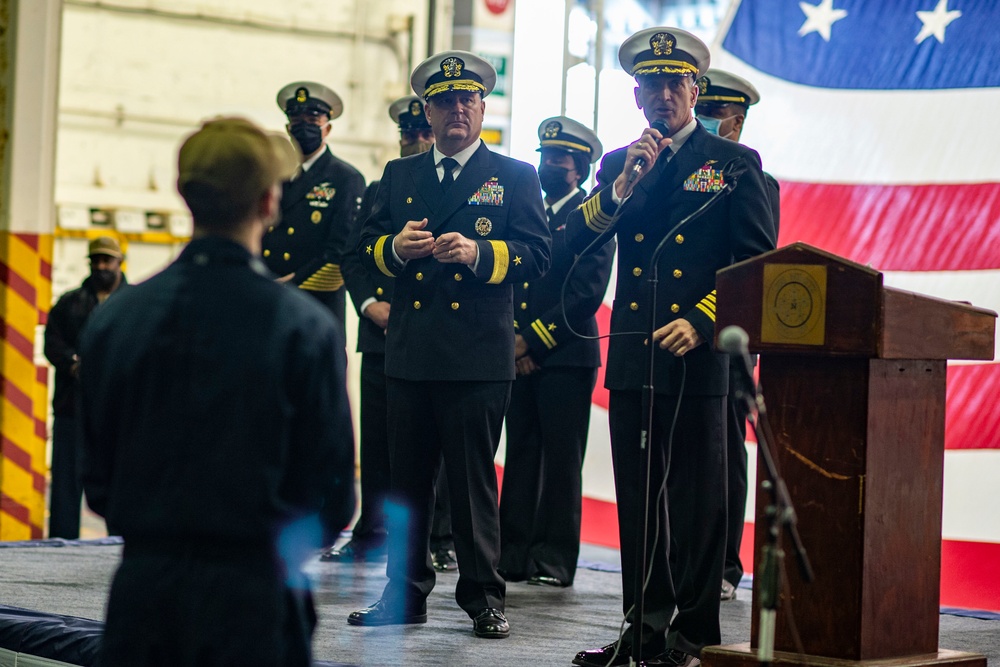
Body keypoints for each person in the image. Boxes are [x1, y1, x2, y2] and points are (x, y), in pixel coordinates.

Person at [78, 118, 356, 666]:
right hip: (256, 603)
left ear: (185, 196)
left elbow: (99, 484)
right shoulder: (303, 327)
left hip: (144, 599)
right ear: (270, 202)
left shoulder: (117, 320)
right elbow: (333, 500)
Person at [567, 29, 776, 667]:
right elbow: (576, 243)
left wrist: (705, 321)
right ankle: (643, 629)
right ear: (636, 95)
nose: (662, 95)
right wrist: (626, 181)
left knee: (695, 502)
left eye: (673, 83)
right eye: (650, 85)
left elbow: (756, 265)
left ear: (695, 89)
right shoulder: (619, 165)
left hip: (698, 356)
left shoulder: (735, 164)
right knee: (639, 499)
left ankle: (694, 634)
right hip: (636, 350)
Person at [349, 51, 550, 639]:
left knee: (471, 486)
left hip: (477, 358)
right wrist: (395, 249)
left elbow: (538, 256)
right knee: (405, 485)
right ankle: (403, 595)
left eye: (467, 99)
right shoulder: (400, 175)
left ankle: (484, 598)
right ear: (427, 113)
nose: (456, 109)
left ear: (483, 107)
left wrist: (480, 254)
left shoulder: (514, 176)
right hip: (410, 354)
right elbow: (363, 249)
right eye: (443, 101)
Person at [331, 96, 456, 571]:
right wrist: (368, 305)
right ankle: (371, 532)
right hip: (382, 333)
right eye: (409, 136)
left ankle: (440, 539)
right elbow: (354, 255)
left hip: (431, 333)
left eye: (421, 136)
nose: (416, 142)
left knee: (438, 445)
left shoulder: (452, 183)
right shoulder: (385, 184)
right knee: (379, 444)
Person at [498, 116, 614, 588]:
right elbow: (511, 272)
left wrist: (533, 340)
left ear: (582, 166)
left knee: (563, 460)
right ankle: (513, 554)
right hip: (519, 352)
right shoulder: (530, 208)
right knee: (521, 453)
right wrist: (515, 338)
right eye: (547, 157)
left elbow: (586, 292)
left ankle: (554, 559)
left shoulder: (593, 213)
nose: (552, 165)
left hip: (565, 355)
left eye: (563, 159)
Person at [694, 69, 781, 602]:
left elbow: (753, 261)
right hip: (674, 330)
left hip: (726, 335)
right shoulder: (679, 172)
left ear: (737, 120)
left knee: (724, 451)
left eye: (716, 111)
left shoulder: (754, 178)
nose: (707, 118)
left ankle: (725, 563)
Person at [264, 81, 366, 338]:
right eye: (296, 118)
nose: (303, 125)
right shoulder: (273, 173)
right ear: (288, 127)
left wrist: (288, 285)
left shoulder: (345, 178)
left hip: (317, 306)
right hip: (268, 302)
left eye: (312, 118)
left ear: (327, 128)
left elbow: (339, 253)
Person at [43, 235, 127, 539]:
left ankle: (122, 544)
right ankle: (61, 545)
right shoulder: (69, 303)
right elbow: (52, 343)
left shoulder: (132, 303)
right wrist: (74, 364)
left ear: (120, 263)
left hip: (118, 412)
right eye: (96, 261)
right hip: (71, 408)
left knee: (122, 481)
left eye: (108, 260)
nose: (102, 266)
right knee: (66, 482)